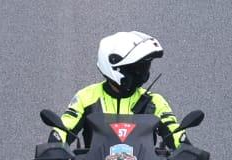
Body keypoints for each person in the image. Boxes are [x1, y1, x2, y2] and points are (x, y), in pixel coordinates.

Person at [52, 31, 191, 149]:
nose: (142, 73)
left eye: (145, 67)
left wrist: (185, 148)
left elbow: (173, 130)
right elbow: (65, 126)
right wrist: (55, 144)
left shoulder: (154, 101)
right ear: (115, 68)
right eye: (137, 68)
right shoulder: (86, 97)